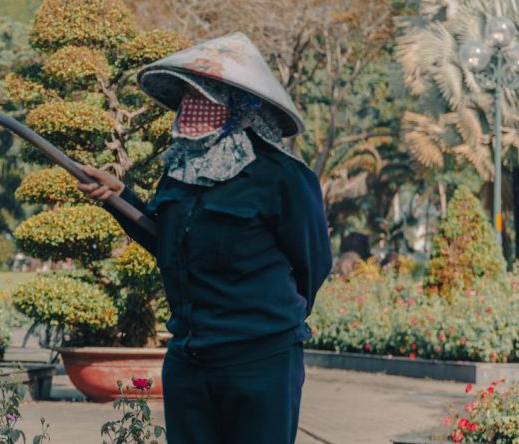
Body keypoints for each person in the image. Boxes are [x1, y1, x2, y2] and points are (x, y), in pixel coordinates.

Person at [77, 32, 332, 444]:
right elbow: (166, 242)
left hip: (260, 360)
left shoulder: (281, 176)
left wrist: (268, 321)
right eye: (187, 97)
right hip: (189, 360)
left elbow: (313, 263)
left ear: (240, 104)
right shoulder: (180, 169)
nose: (190, 108)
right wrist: (119, 197)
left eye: (205, 96)